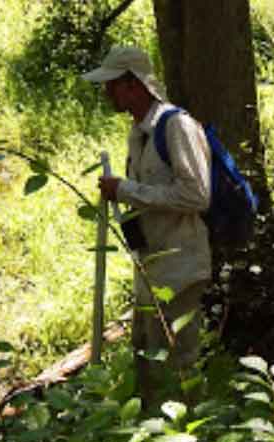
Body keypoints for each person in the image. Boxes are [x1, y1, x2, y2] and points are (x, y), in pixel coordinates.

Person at [82, 46, 211, 409]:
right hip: (151, 270)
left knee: (179, 370)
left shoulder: (177, 127)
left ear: (133, 85)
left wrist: (126, 190)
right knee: (147, 367)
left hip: (180, 272)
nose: (107, 93)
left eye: (112, 85)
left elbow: (197, 196)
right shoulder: (138, 132)